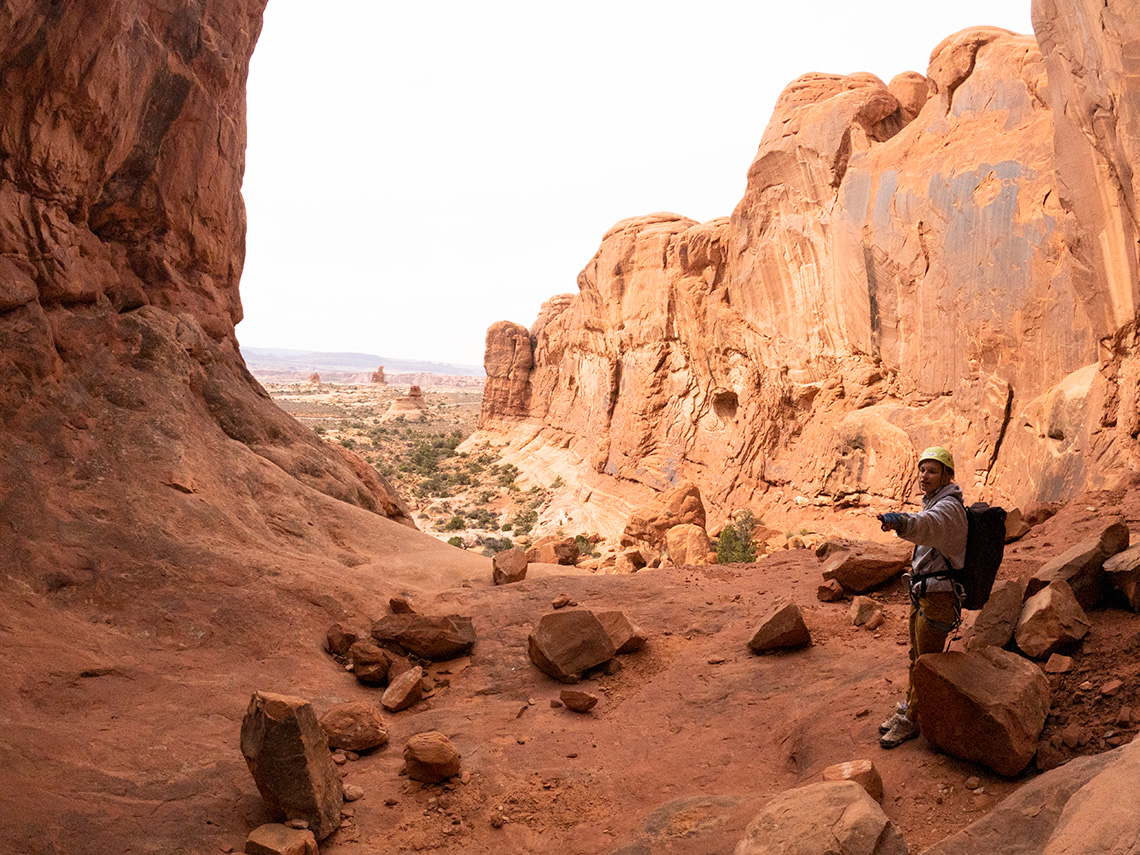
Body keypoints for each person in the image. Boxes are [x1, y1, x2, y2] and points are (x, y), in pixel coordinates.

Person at [875, 446, 967, 749]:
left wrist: (900, 521)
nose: (924, 476)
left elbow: (926, 527)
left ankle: (912, 721)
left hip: (938, 599)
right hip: (924, 594)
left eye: (932, 471)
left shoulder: (948, 508)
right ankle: (910, 705)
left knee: (926, 662)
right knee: (917, 658)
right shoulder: (936, 503)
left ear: (946, 476)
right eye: (922, 470)